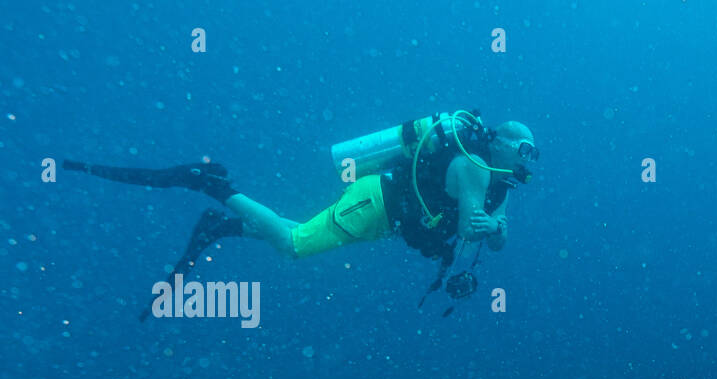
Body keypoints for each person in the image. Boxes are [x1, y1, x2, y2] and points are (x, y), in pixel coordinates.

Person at [64, 110, 536, 315]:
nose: (528, 161)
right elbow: (474, 232)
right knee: (294, 246)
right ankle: (210, 186)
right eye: (526, 150)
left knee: (297, 230)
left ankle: (226, 225)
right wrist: (489, 228)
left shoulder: (501, 183)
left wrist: (495, 227)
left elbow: (495, 236)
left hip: (384, 217)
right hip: (376, 203)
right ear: (502, 142)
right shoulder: (475, 167)